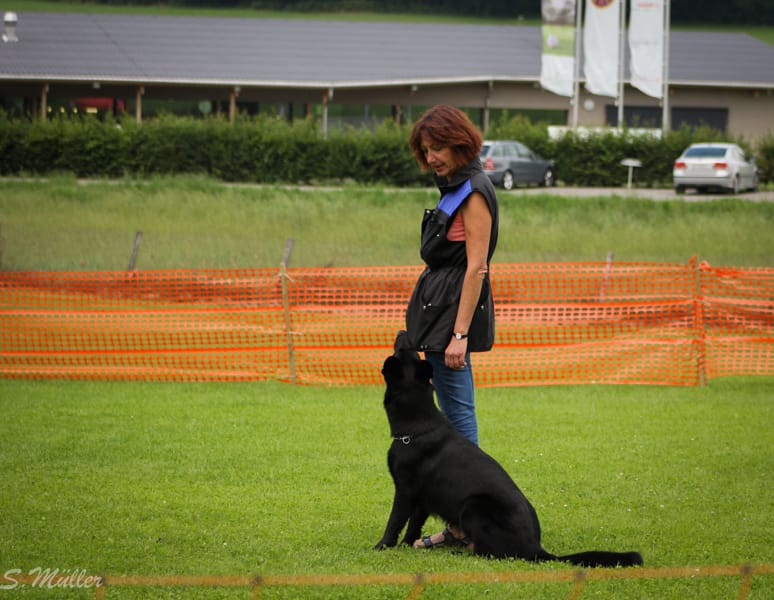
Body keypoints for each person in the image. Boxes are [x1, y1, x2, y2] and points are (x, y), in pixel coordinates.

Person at [403, 104, 499, 549]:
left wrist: (459, 334)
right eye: (426, 150)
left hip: (451, 323)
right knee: (454, 417)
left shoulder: (474, 192)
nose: (432, 157)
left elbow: (476, 267)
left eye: (438, 148)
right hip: (440, 316)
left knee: (459, 422)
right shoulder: (455, 188)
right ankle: (464, 523)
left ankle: (470, 525)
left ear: (460, 143)